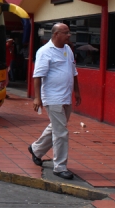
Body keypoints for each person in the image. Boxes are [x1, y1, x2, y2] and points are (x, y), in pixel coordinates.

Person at [28, 23, 81, 180]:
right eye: (66, 32)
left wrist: (77, 91)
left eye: (69, 32)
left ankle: (36, 149)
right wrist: (37, 97)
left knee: (57, 127)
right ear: (56, 34)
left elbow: (74, 71)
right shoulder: (45, 52)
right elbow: (37, 76)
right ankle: (60, 166)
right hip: (53, 97)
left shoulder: (68, 50)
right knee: (61, 132)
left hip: (66, 96)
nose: (69, 35)